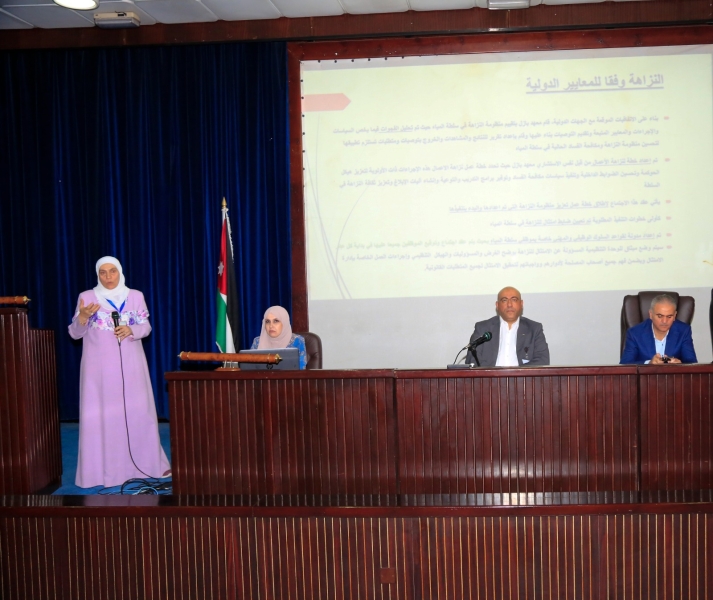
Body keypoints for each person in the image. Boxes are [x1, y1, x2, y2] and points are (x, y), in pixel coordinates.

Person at [68, 256, 170, 488]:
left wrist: (131, 329)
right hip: (98, 370)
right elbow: (75, 333)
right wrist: (82, 318)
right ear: (98, 275)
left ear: (120, 272)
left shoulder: (135, 296)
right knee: (102, 417)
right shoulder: (87, 297)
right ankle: (102, 472)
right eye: (102, 272)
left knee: (139, 412)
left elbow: (146, 327)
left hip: (132, 365)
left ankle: (149, 464)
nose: (108, 277)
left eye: (112, 271)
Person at [466, 286, 550, 367]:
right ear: (497, 305)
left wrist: (516, 374)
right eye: (504, 300)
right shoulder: (482, 328)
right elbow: (472, 360)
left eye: (514, 300)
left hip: (521, 376)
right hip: (490, 376)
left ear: (521, 304)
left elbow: (542, 360)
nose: (509, 304)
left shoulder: (534, 329)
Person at [620, 293, 697, 364]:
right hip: (646, 374)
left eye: (669, 316)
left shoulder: (684, 331)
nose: (664, 321)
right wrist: (649, 363)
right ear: (651, 314)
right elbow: (625, 365)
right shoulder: (635, 333)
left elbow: (692, 363)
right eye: (660, 316)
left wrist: (680, 364)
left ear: (674, 316)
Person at [250, 305, 307, 369]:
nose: (271, 326)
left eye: (276, 321)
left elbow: (301, 369)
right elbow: (250, 367)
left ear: (284, 322)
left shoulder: (297, 341)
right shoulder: (257, 341)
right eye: (267, 321)